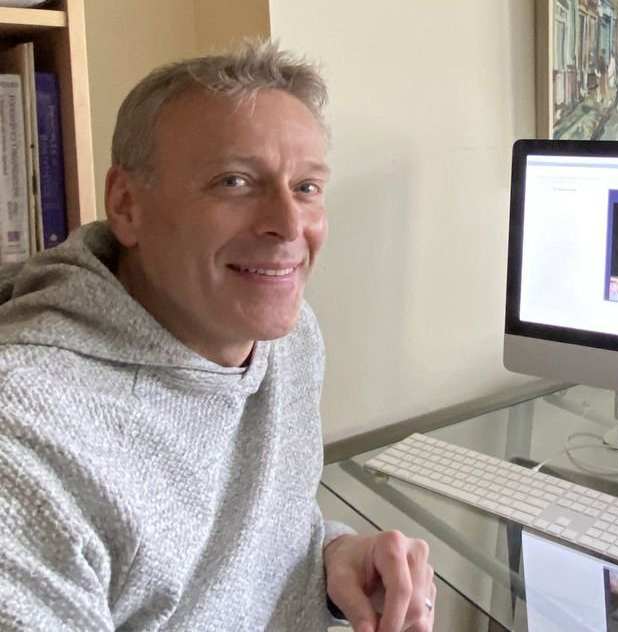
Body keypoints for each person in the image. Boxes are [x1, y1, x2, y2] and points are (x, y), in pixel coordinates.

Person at [0, 40, 435, 631]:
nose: (287, 225)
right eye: (234, 182)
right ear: (126, 205)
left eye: (306, 187)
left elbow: (254, 536)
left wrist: (333, 556)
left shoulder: (289, 337)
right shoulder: (28, 434)